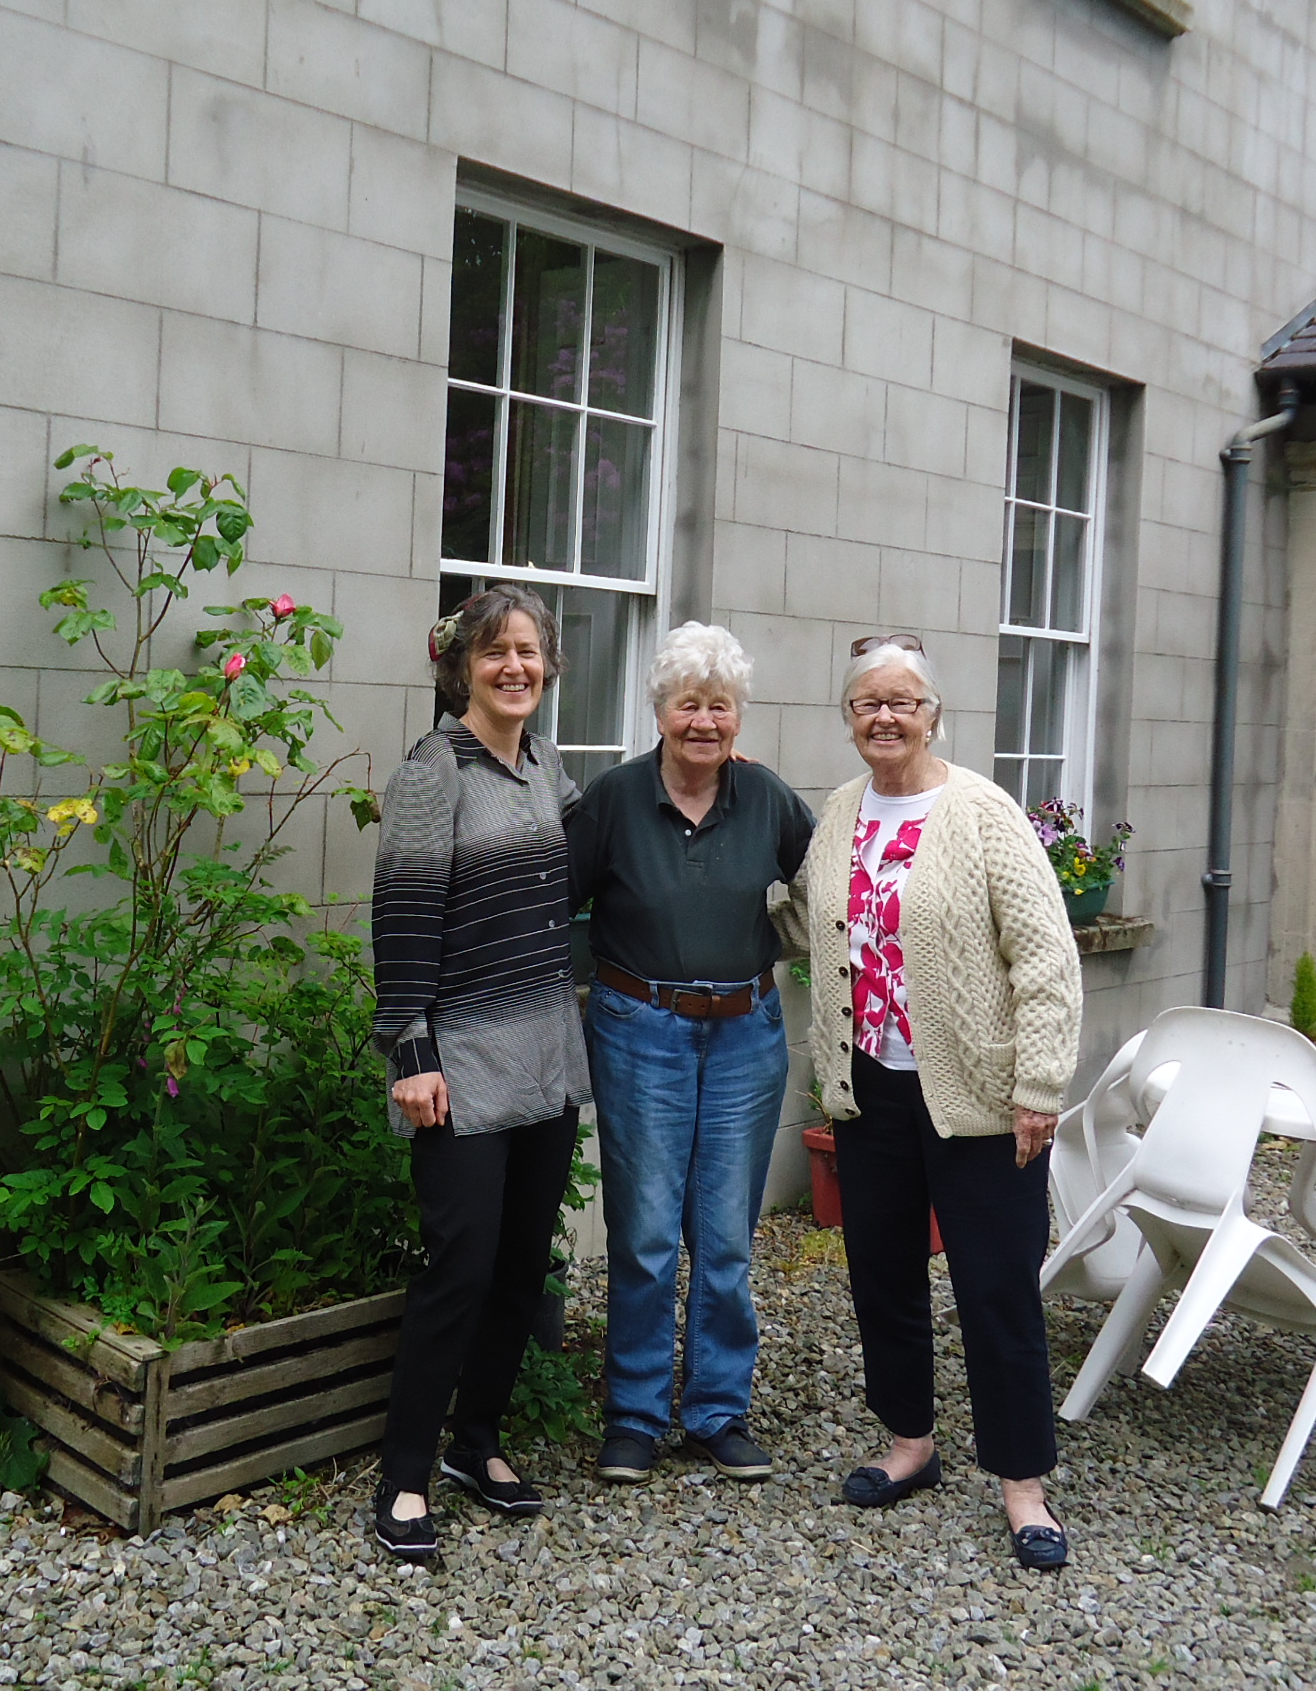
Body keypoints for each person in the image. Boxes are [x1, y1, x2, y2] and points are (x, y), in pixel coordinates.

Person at [780, 636, 1082, 1571]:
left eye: (902, 702)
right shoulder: (840, 812)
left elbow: (1046, 957)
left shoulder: (983, 812)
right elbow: (805, 920)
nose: (885, 717)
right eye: (867, 702)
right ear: (849, 717)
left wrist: (1039, 1087)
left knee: (995, 1286)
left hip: (979, 1095)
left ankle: (1023, 1483)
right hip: (868, 1084)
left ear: (933, 714)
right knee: (882, 1273)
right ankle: (910, 1441)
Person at [366, 584, 587, 1563]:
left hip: (545, 1060)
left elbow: (596, 858)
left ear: (547, 666)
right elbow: (402, 915)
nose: (514, 667)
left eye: (528, 651)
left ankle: (477, 1443)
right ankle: (405, 1477)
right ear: (463, 668)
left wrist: (706, 767)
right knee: (458, 1270)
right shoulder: (434, 772)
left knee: (521, 1268)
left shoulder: (545, 766)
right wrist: (410, 1054)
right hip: (459, 1067)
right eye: (495, 652)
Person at [567, 623, 814, 1485]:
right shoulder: (614, 798)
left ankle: (716, 1409)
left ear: (737, 716)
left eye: (720, 706)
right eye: (688, 705)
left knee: (725, 1235)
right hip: (641, 1029)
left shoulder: (768, 798)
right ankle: (635, 1416)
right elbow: (559, 900)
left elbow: (829, 880)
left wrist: (795, 938)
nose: (704, 721)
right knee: (643, 1235)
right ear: (660, 711)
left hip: (745, 1033)